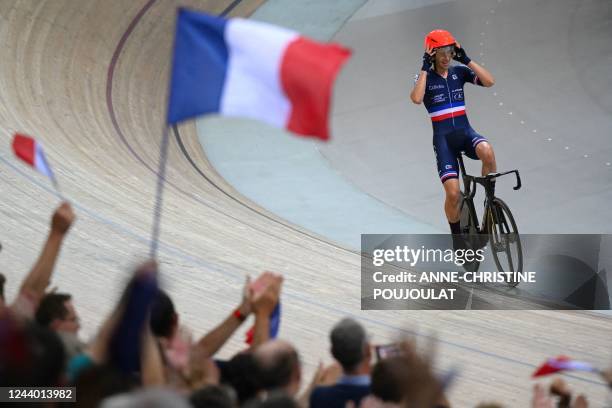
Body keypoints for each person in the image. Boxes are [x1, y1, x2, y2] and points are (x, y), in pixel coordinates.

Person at [410, 29, 496, 249]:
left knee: (487, 150)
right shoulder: (425, 77)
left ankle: (490, 206)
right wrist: (423, 68)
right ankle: (457, 238)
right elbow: (416, 99)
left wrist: (466, 59)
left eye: (450, 51)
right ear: (432, 54)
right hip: (444, 142)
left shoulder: (459, 72)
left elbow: (489, 82)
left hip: (466, 134)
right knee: (454, 194)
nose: (447, 57)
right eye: (441, 52)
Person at [310, 318, 371, 408]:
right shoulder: (384, 393)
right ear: (368, 351)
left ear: (333, 353)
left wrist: (313, 386)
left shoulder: (319, 396)